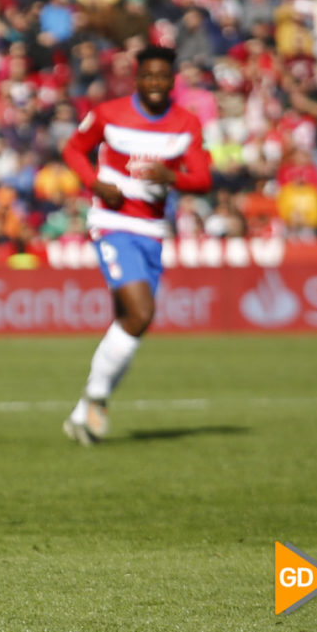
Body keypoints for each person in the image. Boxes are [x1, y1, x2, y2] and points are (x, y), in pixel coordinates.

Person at [59, 45, 210, 445]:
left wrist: (171, 177)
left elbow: (203, 177)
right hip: (111, 223)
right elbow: (72, 148)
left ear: (172, 80)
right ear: (138, 79)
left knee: (130, 324)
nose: (157, 84)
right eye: (150, 76)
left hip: (152, 230)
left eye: (164, 77)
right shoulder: (109, 113)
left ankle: (82, 414)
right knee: (141, 313)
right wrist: (94, 183)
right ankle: (94, 401)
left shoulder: (186, 123)